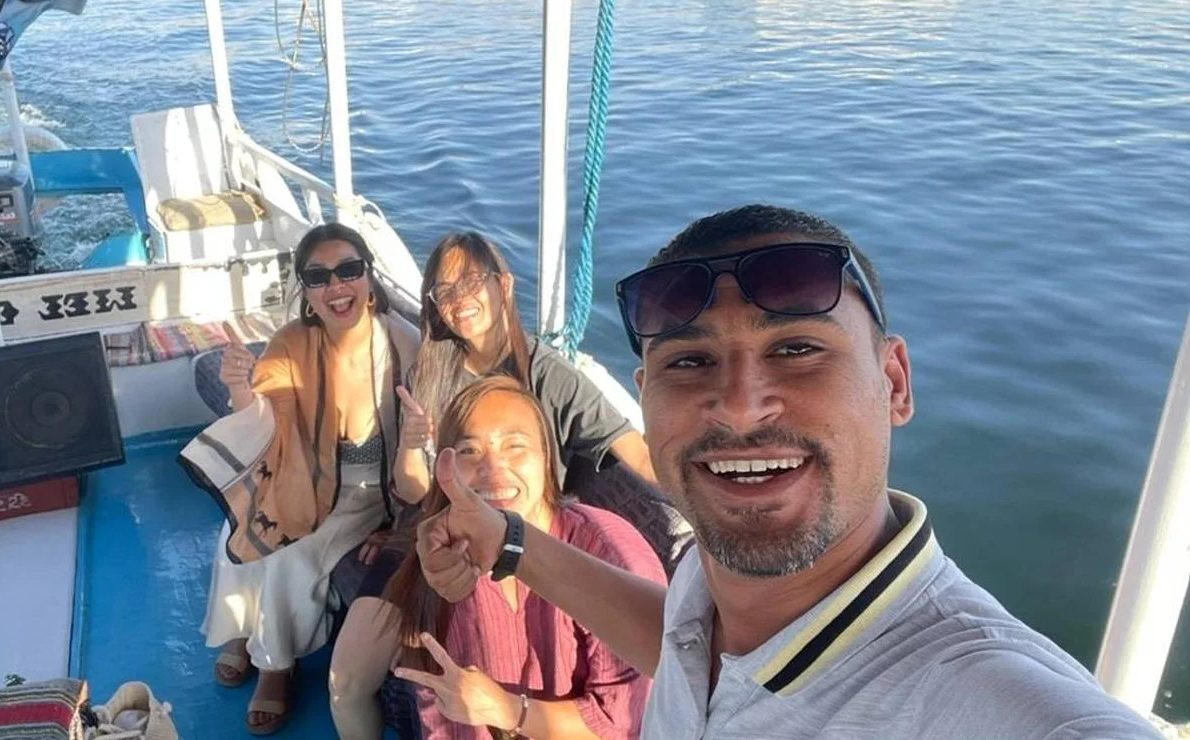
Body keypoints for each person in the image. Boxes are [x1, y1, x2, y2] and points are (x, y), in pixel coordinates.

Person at [406, 205, 1163, 738]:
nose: (739, 406)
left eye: (796, 349)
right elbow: (681, 648)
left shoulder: (988, 700)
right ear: (645, 398)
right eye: (690, 362)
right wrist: (505, 539)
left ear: (894, 383)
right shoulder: (712, 583)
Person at [328, 231, 691, 739]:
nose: (458, 299)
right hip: (428, 534)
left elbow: (640, 456)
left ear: (503, 284)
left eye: (471, 281)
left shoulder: (549, 376)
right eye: (444, 290)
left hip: (527, 535)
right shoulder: (431, 369)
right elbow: (413, 491)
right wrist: (411, 443)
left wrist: (715, 511)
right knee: (346, 682)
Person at [180, 222, 418, 735]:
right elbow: (264, 421)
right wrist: (240, 388)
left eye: (348, 270)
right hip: (301, 472)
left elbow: (426, 442)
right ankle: (243, 632)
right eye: (319, 276)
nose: (337, 286)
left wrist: (400, 527)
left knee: (291, 552)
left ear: (368, 277)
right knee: (239, 529)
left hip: (367, 496)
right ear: (306, 290)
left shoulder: (404, 345)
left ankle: (276, 667)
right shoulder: (292, 342)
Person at [386, 375, 666, 739]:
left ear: (546, 457)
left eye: (515, 446)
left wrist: (508, 710)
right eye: (469, 451)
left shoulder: (611, 555)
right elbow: (439, 694)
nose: (492, 468)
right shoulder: (446, 554)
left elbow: (625, 723)